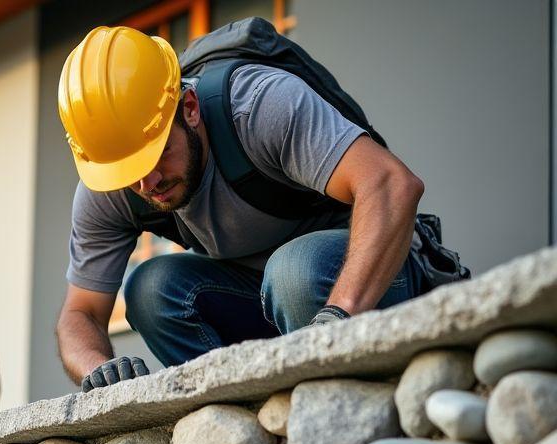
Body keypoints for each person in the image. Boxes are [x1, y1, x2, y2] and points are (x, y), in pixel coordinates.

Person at [55, 25, 445, 392]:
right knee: (150, 288)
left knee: (293, 269)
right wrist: (97, 369)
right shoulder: (111, 180)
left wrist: (337, 319)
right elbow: (80, 314)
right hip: (263, 301)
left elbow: (392, 184)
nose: (147, 184)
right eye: (129, 174)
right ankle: (232, 412)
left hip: (365, 284)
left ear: (189, 108)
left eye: (157, 157)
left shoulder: (258, 106)